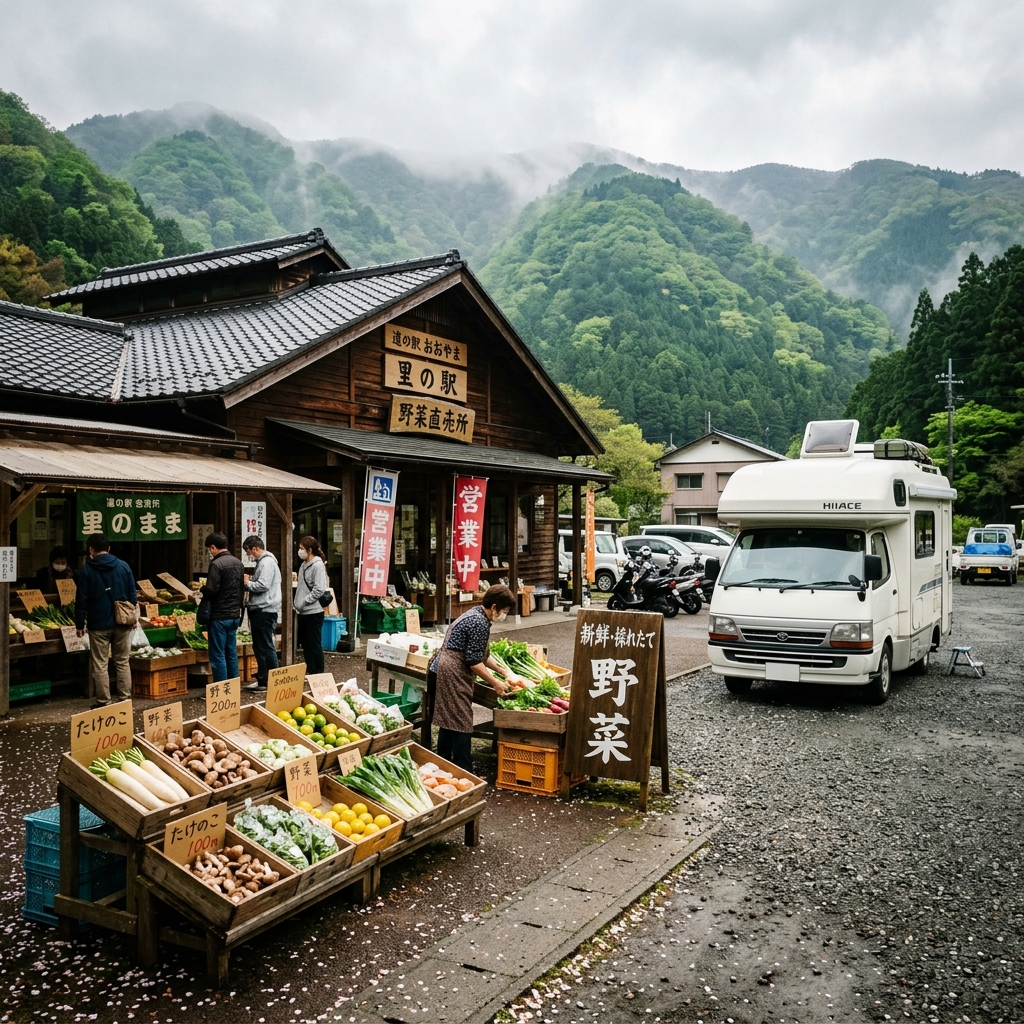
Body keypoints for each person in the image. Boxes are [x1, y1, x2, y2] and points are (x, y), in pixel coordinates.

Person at [428, 584, 525, 772]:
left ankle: (442, 766)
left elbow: (481, 654)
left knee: (449, 720)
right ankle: (464, 770)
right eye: (504, 611)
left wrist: (505, 672)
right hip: (452, 670)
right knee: (462, 720)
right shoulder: (479, 622)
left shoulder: (476, 614)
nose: (504, 616)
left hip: (444, 667)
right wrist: (495, 683)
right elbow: (474, 661)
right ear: (494, 607)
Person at [74, 533, 136, 709]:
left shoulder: (87, 570)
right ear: (109, 548)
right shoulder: (123, 566)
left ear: (91, 550)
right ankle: (124, 700)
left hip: (98, 623)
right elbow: (132, 594)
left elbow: (82, 599)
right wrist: (133, 618)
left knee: (100, 664)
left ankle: (104, 701)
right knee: (122, 661)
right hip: (123, 622)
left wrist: (79, 623)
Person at [200, 532, 244, 682]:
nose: (209, 553)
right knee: (231, 652)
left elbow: (211, 591)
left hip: (219, 616)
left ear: (213, 547)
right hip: (234, 615)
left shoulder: (216, 564)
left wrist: (202, 590)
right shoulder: (238, 563)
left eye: (209, 549)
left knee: (217, 654)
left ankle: (221, 689)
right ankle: (234, 685)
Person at [242, 534, 281, 692]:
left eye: (249, 551)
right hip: (263, 608)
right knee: (261, 645)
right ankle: (263, 678)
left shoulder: (266, 562)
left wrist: (247, 583)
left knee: (265, 645)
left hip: (264, 608)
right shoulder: (266, 562)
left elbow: (263, 585)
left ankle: (270, 680)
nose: (248, 555)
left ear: (255, 548)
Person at [293, 535, 328, 675]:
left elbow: (319, 589)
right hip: (303, 611)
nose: (299, 551)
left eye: (301, 548)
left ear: (309, 550)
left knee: (314, 643)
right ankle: (311, 669)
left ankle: (318, 671)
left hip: (314, 611)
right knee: (306, 643)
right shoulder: (303, 565)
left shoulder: (318, 565)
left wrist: (304, 601)